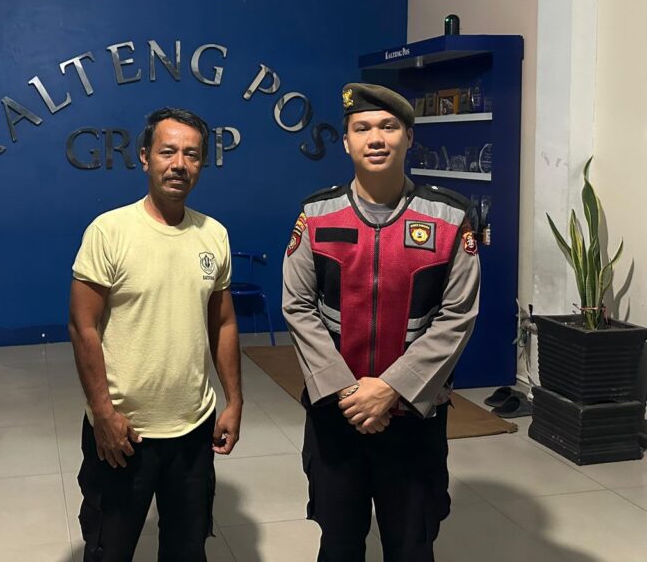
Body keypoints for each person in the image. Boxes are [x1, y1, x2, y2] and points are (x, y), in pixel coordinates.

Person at [282, 83, 480, 562]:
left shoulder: (450, 217)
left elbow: (458, 314)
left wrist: (392, 388)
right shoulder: (316, 213)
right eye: (362, 128)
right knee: (338, 545)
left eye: (389, 127)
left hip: (414, 419)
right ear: (346, 141)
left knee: (412, 546)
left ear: (409, 137)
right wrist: (348, 392)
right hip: (337, 416)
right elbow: (298, 306)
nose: (375, 138)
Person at [69, 106, 243, 562]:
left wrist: (234, 400)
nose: (179, 164)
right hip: (125, 432)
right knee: (109, 549)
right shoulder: (109, 231)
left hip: (193, 429)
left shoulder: (214, 235)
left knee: (187, 550)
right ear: (144, 157)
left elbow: (223, 322)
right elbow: (82, 327)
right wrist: (103, 413)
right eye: (168, 152)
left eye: (192, 154)